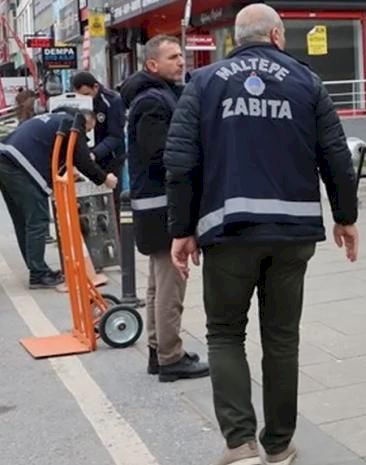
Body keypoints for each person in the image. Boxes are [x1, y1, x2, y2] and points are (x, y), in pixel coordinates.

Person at [164, 4, 359, 465]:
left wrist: (181, 229)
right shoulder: (307, 82)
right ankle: (278, 446)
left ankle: (240, 444)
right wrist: (345, 217)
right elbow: (335, 154)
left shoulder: (205, 83)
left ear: (236, 39)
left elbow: (180, 160)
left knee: (226, 332)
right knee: (282, 337)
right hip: (293, 232)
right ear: (276, 36)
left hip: (228, 229)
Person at [121, 35, 209, 382]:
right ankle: (170, 357)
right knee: (172, 282)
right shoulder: (152, 103)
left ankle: (160, 351)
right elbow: (160, 154)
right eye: (173, 57)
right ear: (152, 65)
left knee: (160, 281)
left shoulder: (156, 97)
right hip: (162, 204)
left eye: (181, 55)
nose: (181, 61)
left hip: (155, 204)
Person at [0, 109, 118, 288]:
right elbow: (83, 160)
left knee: (22, 219)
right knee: (37, 218)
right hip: (21, 166)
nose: (85, 135)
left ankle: (37, 268)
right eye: (87, 130)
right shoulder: (74, 123)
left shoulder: (56, 118)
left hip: (6, 158)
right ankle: (38, 274)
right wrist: (104, 179)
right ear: (87, 121)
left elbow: (56, 151)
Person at [71, 71, 127, 215]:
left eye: (86, 94)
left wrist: (95, 153)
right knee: (86, 204)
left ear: (95, 87)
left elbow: (116, 136)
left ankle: (115, 236)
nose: (83, 99)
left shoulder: (112, 101)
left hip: (110, 158)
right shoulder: (75, 103)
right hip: (84, 157)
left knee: (111, 205)